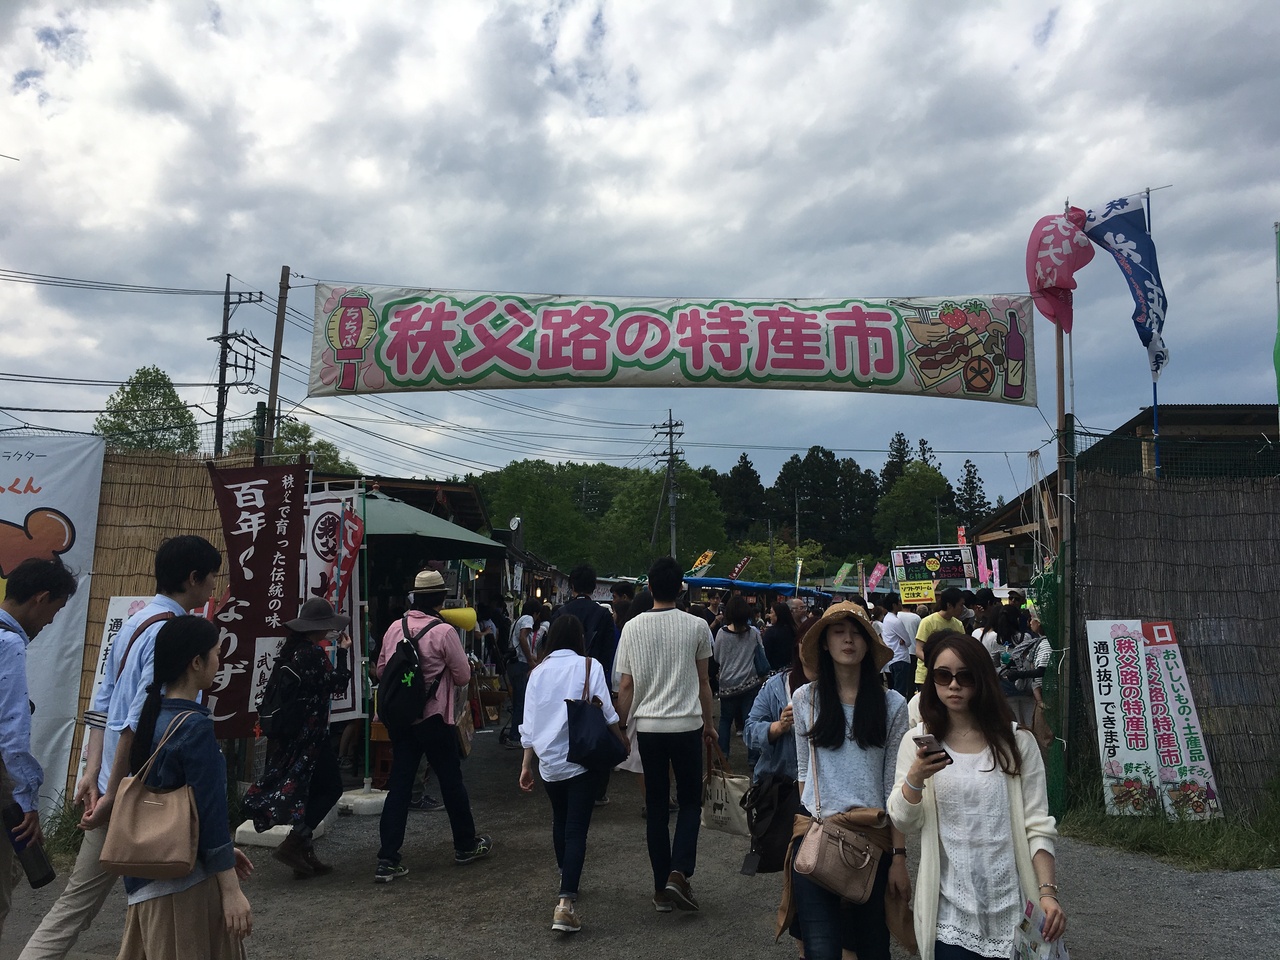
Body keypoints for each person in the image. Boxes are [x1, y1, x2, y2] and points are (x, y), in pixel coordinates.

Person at [20, 536, 221, 960]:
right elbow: (135, 717)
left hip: (116, 784)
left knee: (78, 905)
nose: (213, 587)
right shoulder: (173, 631)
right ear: (193, 578)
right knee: (168, 906)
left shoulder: (136, 620)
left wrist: (92, 772)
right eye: (210, 577)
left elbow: (104, 701)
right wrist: (113, 793)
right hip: (147, 793)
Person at [888, 632, 1065, 960]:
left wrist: (1047, 892)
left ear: (982, 678)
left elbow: (1038, 824)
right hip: (949, 918)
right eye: (943, 676)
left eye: (965, 676)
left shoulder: (1017, 743)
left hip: (1013, 911)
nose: (954, 685)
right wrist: (915, 777)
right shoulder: (918, 741)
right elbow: (904, 820)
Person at [778, 602, 911, 960]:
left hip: (872, 842)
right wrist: (810, 824)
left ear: (869, 643)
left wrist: (899, 857)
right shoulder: (805, 699)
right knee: (821, 949)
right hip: (818, 839)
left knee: (873, 948)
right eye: (838, 632)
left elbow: (894, 787)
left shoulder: (893, 705)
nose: (848, 640)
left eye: (857, 633)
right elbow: (804, 772)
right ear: (824, 642)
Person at [116, 615, 253, 959]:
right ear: (196, 662)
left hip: (146, 880)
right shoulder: (194, 727)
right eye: (216, 653)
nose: (219, 662)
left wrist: (219, 853)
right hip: (184, 887)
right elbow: (210, 813)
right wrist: (231, 890)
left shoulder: (151, 716)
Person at [373, 569, 490, 882]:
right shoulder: (444, 631)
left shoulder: (394, 628)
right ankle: (465, 845)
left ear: (414, 597)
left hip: (402, 720)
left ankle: (387, 859)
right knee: (451, 782)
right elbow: (463, 676)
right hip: (435, 718)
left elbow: (382, 670)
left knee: (400, 785)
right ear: (441, 598)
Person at [615, 557, 715, 913]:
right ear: (681, 589)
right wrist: (710, 724)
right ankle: (679, 872)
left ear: (650, 587)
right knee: (689, 802)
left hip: (649, 727)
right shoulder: (697, 626)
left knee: (656, 806)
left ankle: (661, 889)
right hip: (687, 724)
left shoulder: (631, 627)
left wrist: (621, 727)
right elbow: (704, 682)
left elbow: (626, 685)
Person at [518, 616, 627, 934]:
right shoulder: (590, 666)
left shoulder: (537, 673)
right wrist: (622, 741)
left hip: (549, 763)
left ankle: (566, 874)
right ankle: (565, 903)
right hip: (582, 759)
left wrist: (526, 765)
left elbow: (529, 724)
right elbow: (608, 713)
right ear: (580, 638)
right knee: (577, 829)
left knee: (560, 820)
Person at [242, 597, 353, 877]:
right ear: (320, 627)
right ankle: (294, 843)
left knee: (310, 790)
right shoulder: (312, 654)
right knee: (332, 788)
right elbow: (337, 683)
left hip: (292, 734)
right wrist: (343, 654)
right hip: (311, 736)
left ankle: (303, 851)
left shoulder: (292, 651)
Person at [0, 558, 77, 940]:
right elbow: (12, 729)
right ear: (41, 598)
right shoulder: (9, 643)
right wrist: (26, 799)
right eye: (56, 610)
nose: (50, 621)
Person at [712, 596, 766, 764]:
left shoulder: (722, 633)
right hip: (750, 683)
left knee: (725, 720)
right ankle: (753, 758)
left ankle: (723, 755)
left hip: (727, 684)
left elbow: (717, 657)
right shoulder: (754, 633)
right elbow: (761, 653)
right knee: (751, 720)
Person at [500, 599, 539, 749]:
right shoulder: (528, 619)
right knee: (521, 702)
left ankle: (515, 734)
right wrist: (530, 660)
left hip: (512, 664)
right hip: (520, 664)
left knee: (518, 700)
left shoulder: (517, 620)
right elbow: (523, 638)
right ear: (535, 613)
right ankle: (515, 736)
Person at [914, 587, 966, 692]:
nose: (963, 608)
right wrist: (936, 663)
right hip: (926, 676)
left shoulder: (958, 624)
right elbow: (919, 650)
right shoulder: (928, 622)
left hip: (949, 677)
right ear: (949, 605)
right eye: (960, 605)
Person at [879, 593, 918, 699]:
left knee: (896, 688)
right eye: (899, 602)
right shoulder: (895, 621)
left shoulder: (887, 619)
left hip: (893, 658)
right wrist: (903, 640)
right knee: (901, 690)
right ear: (894, 605)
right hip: (900, 658)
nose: (901, 604)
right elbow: (908, 641)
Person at [761, 601, 797, 672]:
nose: (769, 615)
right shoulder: (794, 630)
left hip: (774, 671)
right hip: (791, 670)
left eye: (771, 612)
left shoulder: (771, 632)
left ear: (778, 614)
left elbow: (765, 654)